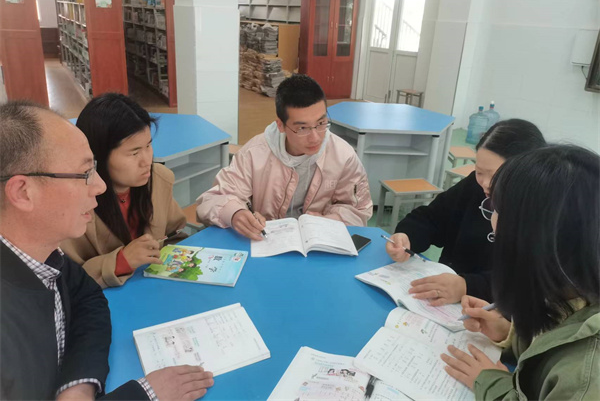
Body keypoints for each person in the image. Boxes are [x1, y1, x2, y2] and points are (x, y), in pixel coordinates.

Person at [0, 102, 214, 400]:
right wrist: (145, 394)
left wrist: (77, 387)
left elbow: (87, 299)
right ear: (23, 192)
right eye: (85, 173)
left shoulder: (48, 259)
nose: (100, 186)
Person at [441, 145, 599, 400]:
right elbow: (552, 341)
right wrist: (508, 334)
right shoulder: (569, 285)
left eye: (497, 209)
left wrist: (492, 383)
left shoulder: (586, 376)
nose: (492, 219)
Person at [385, 119, 546, 305]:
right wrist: (407, 236)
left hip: (491, 309)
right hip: (443, 295)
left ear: (527, 174)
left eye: (496, 176)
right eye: (479, 172)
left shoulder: (543, 211)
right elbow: (433, 217)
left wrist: (466, 286)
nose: (485, 184)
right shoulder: (475, 187)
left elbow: (528, 281)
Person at [196, 74, 372, 239]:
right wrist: (236, 213)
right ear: (280, 125)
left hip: (318, 242)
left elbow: (358, 210)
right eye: (302, 128)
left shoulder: (343, 156)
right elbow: (211, 201)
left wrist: (329, 220)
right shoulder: (254, 153)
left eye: (321, 123)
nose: (315, 137)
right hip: (265, 240)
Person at [60, 93, 187, 288]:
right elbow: (65, 281)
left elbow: (175, 235)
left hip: (154, 289)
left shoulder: (158, 180)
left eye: (148, 145)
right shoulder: (71, 205)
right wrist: (121, 261)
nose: (146, 161)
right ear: (98, 156)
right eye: (134, 153)